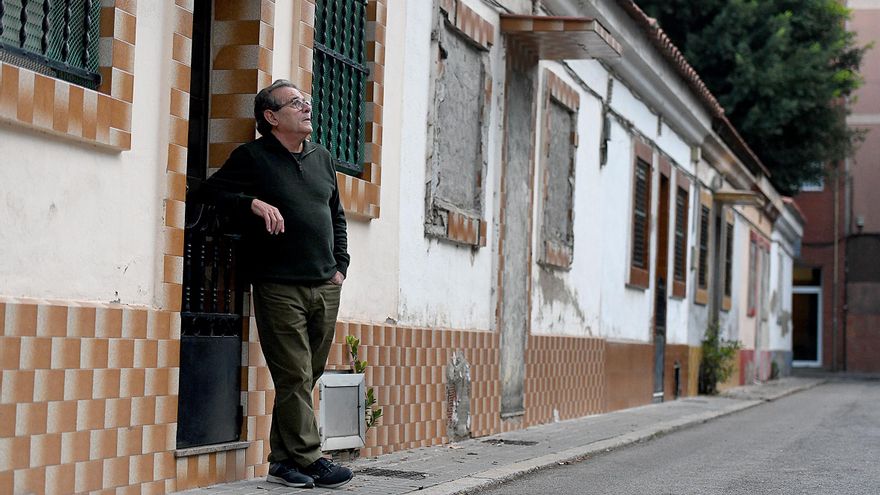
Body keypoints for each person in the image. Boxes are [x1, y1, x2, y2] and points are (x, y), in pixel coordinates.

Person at [202, 79, 352, 489]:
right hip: (278, 285)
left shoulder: (322, 158)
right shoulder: (252, 157)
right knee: (293, 374)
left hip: (324, 284)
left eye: (305, 101)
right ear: (271, 117)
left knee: (305, 376)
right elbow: (206, 192)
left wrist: (341, 266)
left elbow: (336, 215)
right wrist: (250, 202)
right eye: (295, 103)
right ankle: (311, 458)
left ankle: (283, 464)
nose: (306, 107)